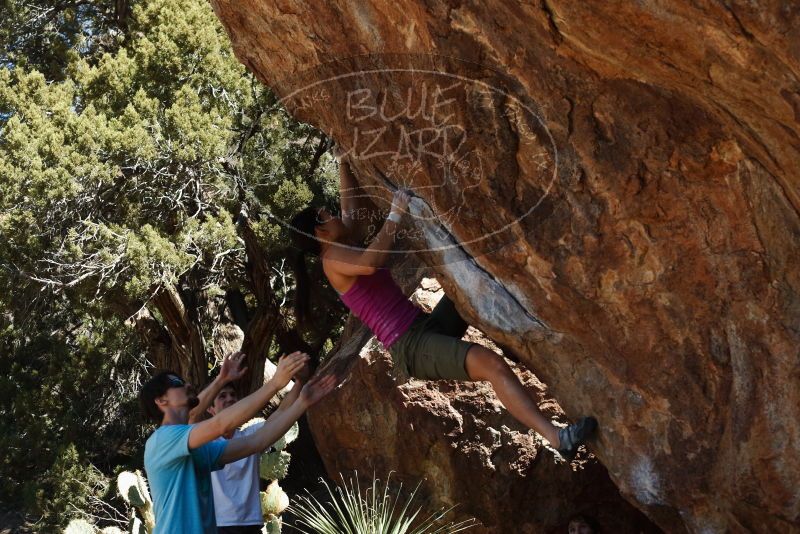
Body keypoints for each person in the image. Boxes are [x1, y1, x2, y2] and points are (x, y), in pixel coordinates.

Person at [289, 158, 596, 460]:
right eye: (325, 216)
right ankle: (557, 439)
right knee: (492, 365)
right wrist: (395, 214)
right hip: (410, 346)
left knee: (469, 286)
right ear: (320, 233)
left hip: (422, 326)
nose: (334, 215)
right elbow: (370, 263)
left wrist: (343, 163)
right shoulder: (333, 262)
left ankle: (525, 343)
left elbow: (350, 211)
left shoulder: (341, 243)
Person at [139, 351, 336, 533]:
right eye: (177, 383)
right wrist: (275, 383)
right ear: (161, 401)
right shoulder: (162, 440)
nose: (187, 385)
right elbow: (220, 424)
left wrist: (303, 402)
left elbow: (256, 442)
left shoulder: (200, 449)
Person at [206, 380, 304, 534]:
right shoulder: (204, 442)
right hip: (219, 525)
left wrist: (300, 381)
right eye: (222, 396)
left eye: (232, 395)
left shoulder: (252, 436)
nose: (229, 399)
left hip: (251, 525)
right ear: (210, 409)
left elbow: (282, 412)